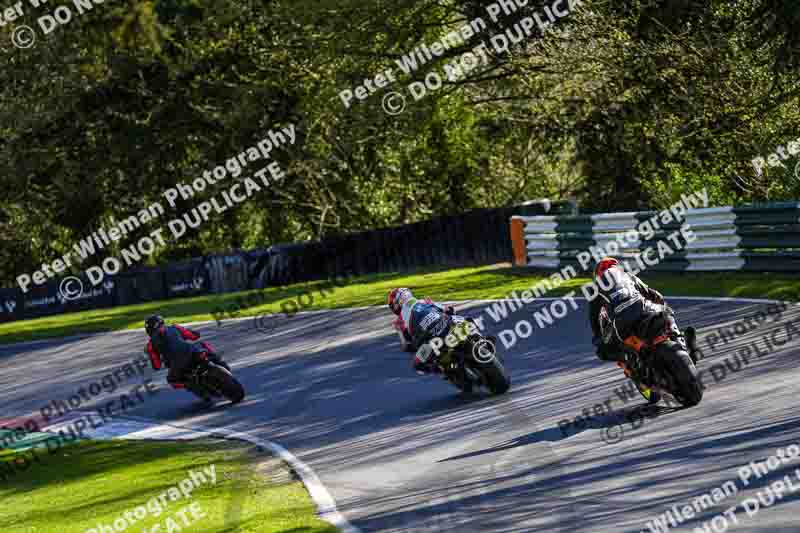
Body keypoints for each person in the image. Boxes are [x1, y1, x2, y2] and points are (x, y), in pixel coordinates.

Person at [588, 257, 699, 370]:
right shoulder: (628, 276)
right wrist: (663, 307)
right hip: (645, 309)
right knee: (666, 313)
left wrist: (598, 338)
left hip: (622, 323)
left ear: (597, 274)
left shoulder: (595, 286)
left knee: (605, 351)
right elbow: (655, 295)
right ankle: (684, 344)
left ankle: (635, 363)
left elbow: (594, 317)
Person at [144, 315, 229, 401]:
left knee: (172, 381)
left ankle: (197, 387)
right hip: (193, 353)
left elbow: (157, 366)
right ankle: (220, 362)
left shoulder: (150, 345)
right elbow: (193, 336)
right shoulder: (175, 328)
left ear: (148, 330)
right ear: (162, 323)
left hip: (178, 366)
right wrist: (194, 333)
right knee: (203, 345)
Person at [387, 288, 455, 372]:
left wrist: (411, 346)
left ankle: (444, 371)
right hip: (446, 326)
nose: (394, 308)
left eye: (393, 305)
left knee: (418, 365)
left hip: (432, 342)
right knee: (464, 321)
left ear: (398, 301)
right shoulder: (425, 301)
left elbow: (406, 345)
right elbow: (448, 309)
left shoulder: (399, 321)